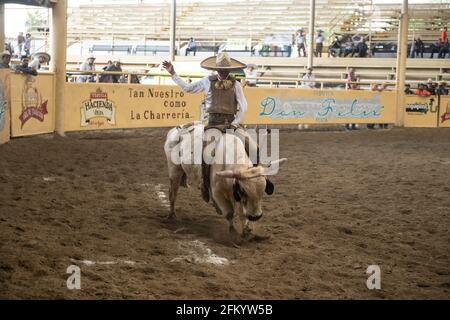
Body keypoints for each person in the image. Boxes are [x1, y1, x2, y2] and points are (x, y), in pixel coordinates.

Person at [162, 53, 252, 202]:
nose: (223, 72)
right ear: (216, 69)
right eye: (220, 69)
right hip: (212, 125)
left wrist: (236, 123)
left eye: (225, 69)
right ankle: (205, 184)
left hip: (232, 123)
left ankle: (256, 179)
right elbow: (188, 88)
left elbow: (243, 106)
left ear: (230, 70)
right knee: (207, 154)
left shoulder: (236, 84)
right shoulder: (206, 81)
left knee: (252, 147)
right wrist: (173, 74)